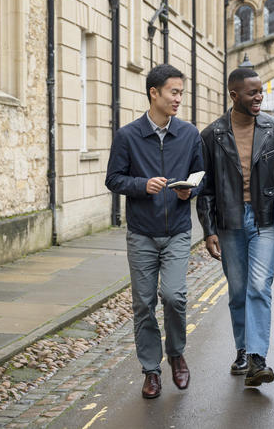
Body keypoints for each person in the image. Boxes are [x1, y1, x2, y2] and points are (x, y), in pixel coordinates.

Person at [105, 64, 202, 399]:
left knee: (174, 297)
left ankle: (176, 352)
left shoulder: (189, 134)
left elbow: (200, 177)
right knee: (143, 304)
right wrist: (142, 185)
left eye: (180, 93)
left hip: (176, 230)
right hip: (142, 233)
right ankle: (151, 370)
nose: (178, 99)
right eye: (174, 92)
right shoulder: (128, 136)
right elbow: (113, 179)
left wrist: (190, 191)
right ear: (154, 93)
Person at [197, 64, 274, 387]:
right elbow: (205, 187)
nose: (259, 97)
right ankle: (242, 349)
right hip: (229, 221)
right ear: (234, 94)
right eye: (252, 92)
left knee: (258, 287)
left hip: (266, 220)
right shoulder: (211, 135)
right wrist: (209, 229)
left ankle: (257, 359)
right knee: (237, 291)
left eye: (261, 91)